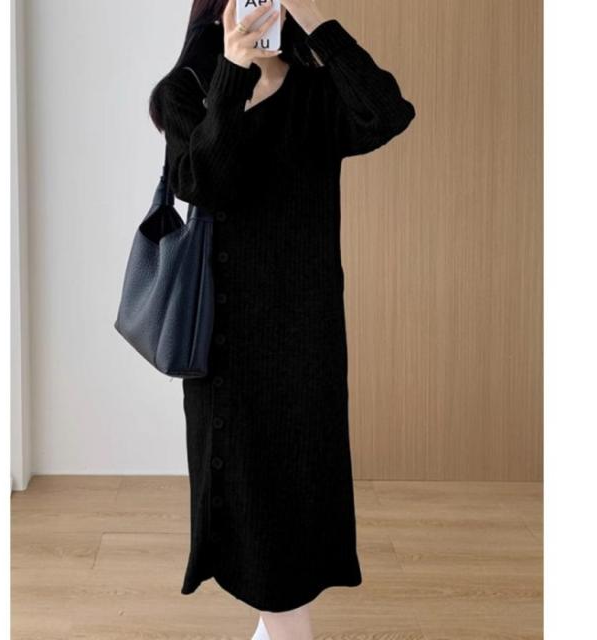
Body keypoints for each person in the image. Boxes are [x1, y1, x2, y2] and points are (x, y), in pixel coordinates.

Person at [149, 1, 415, 638]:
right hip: (225, 340)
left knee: (296, 495)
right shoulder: (186, 91)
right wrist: (232, 75)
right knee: (250, 497)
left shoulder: (318, 93)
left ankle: (275, 630)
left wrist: (317, 17)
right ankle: (287, 631)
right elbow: (206, 182)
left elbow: (388, 112)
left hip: (306, 335)